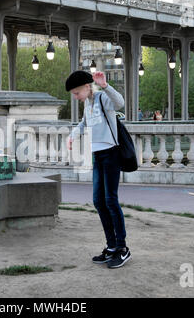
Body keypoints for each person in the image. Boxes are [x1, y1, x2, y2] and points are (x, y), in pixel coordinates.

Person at [66, 70, 131, 269]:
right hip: (97, 155)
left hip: (111, 153)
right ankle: (111, 246)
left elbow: (120, 103)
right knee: (98, 200)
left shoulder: (103, 98)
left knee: (110, 199)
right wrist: (73, 135)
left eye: (77, 93)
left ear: (87, 87)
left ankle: (122, 248)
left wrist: (105, 85)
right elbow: (84, 123)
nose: (75, 97)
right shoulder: (88, 103)